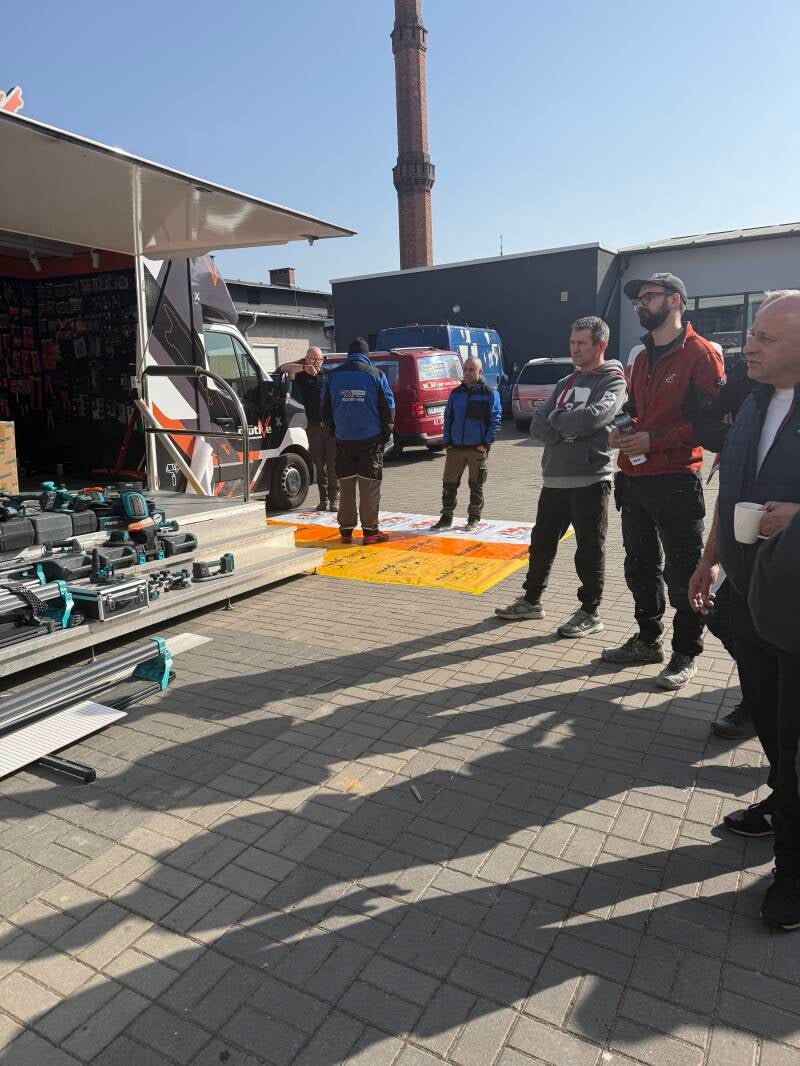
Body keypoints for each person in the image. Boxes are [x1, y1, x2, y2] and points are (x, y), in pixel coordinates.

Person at [688, 291, 800, 930]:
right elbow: (733, 491)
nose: (747, 347)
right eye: (752, 334)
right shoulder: (756, 401)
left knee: (795, 733)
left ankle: (795, 873)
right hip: (752, 592)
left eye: (765, 338)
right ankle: (784, 803)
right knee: (771, 721)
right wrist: (710, 560)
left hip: (796, 598)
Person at [601, 272, 724, 690]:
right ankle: (647, 639)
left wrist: (655, 440)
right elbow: (635, 409)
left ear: (674, 301)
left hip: (675, 480)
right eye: (637, 299)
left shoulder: (701, 355)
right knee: (639, 566)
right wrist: (622, 431)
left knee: (683, 570)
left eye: (648, 297)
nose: (640, 304)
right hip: (634, 476)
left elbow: (711, 425)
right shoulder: (640, 357)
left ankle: (685, 652)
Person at [495, 316, 626, 636]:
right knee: (541, 544)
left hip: (590, 478)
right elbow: (538, 425)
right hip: (554, 478)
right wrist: (565, 424)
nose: (575, 349)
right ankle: (531, 601)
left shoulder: (612, 381)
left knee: (589, 549)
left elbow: (592, 419)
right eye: (572, 342)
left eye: (582, 343)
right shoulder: (566, 382)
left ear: (601, 345)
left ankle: (590, 612)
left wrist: (560, 421)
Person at [320, 337, 395, 544]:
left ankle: (346, 531)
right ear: (366, 355)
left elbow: (324, 407)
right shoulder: (376, 374)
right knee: (369, 488)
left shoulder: (333, 376)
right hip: (370, 441)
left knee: (346, 487)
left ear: (349, 354)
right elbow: (389, 407)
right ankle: (370, 532)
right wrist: (385, 435)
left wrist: (334, 431)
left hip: (343, 440)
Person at [430, 358, 502, 531]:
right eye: (465, 369)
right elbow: (448, 417)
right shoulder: (456, 393)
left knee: (476, 485)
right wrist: (447, 442)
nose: (468, 373)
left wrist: (485, 443)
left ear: (480, 372)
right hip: (455, 448)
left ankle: (473, 518)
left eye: (472, 369)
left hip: (477, 448)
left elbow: (496, 420)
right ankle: (446, 517)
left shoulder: (489, 393)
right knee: (449, 484)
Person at [281, 347, 338, 511]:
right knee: (319, 465)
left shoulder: (329, 374)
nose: (316, 363)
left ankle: (335, 500)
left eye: (319, 359)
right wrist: (304, 368)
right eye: (313, 359)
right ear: (306, 359)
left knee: (333, 465)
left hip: (331, 427)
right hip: (313, 427)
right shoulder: (301, 375)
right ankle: (323, 500)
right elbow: (284, 369)